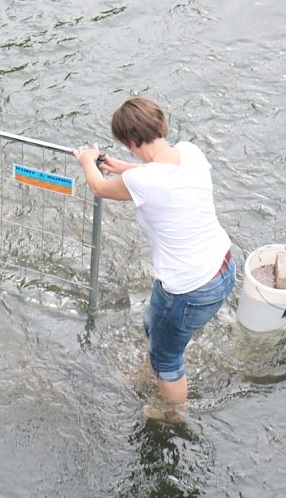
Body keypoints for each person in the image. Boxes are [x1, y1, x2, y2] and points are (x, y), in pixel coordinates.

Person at [73, 96, 235, 408]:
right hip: (223, 267)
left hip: (189, 288)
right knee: (154, 326)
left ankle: (173, 416)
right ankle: (148, 375)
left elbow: (99, 187)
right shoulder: (190, 153)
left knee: (168, 361)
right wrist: (124, 167)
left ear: (130, 141)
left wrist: (86, 161)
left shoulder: (143, 180)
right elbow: (162, 172)